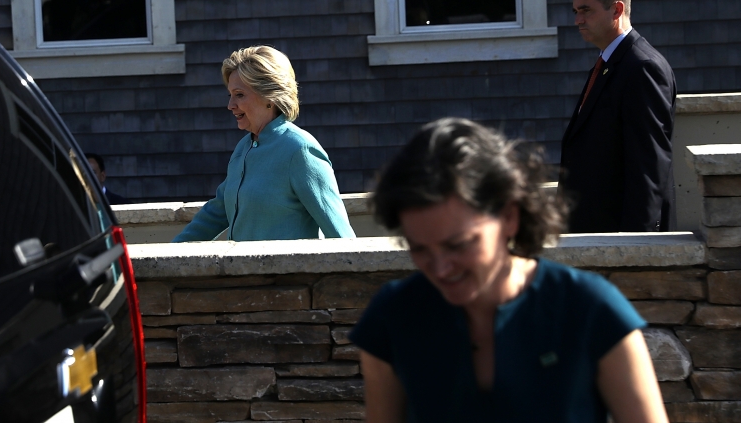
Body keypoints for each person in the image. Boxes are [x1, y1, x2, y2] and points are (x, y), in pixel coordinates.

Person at [351, 118, 667, 423]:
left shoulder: (591, 309)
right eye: (419, 248)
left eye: (458, 244)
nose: (441, 268)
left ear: (509, 217)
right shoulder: (392, 317)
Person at [173, 46, 354, 241]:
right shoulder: (244, 148)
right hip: (242, 272)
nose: (230, 105)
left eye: (239, 94)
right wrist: (171, 254)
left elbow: (340, 234)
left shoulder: (300, 150)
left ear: (270, 96)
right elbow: (216, 213)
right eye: (230, 95)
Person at [561, 0, 676, 232]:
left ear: (617, 10)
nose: (578, 20)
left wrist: (639, 243)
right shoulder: (608, 63)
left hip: (622, 238)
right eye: (576, 11)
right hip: (595, 232)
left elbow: (649, 164)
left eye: (586, 10)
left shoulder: (642, 68)